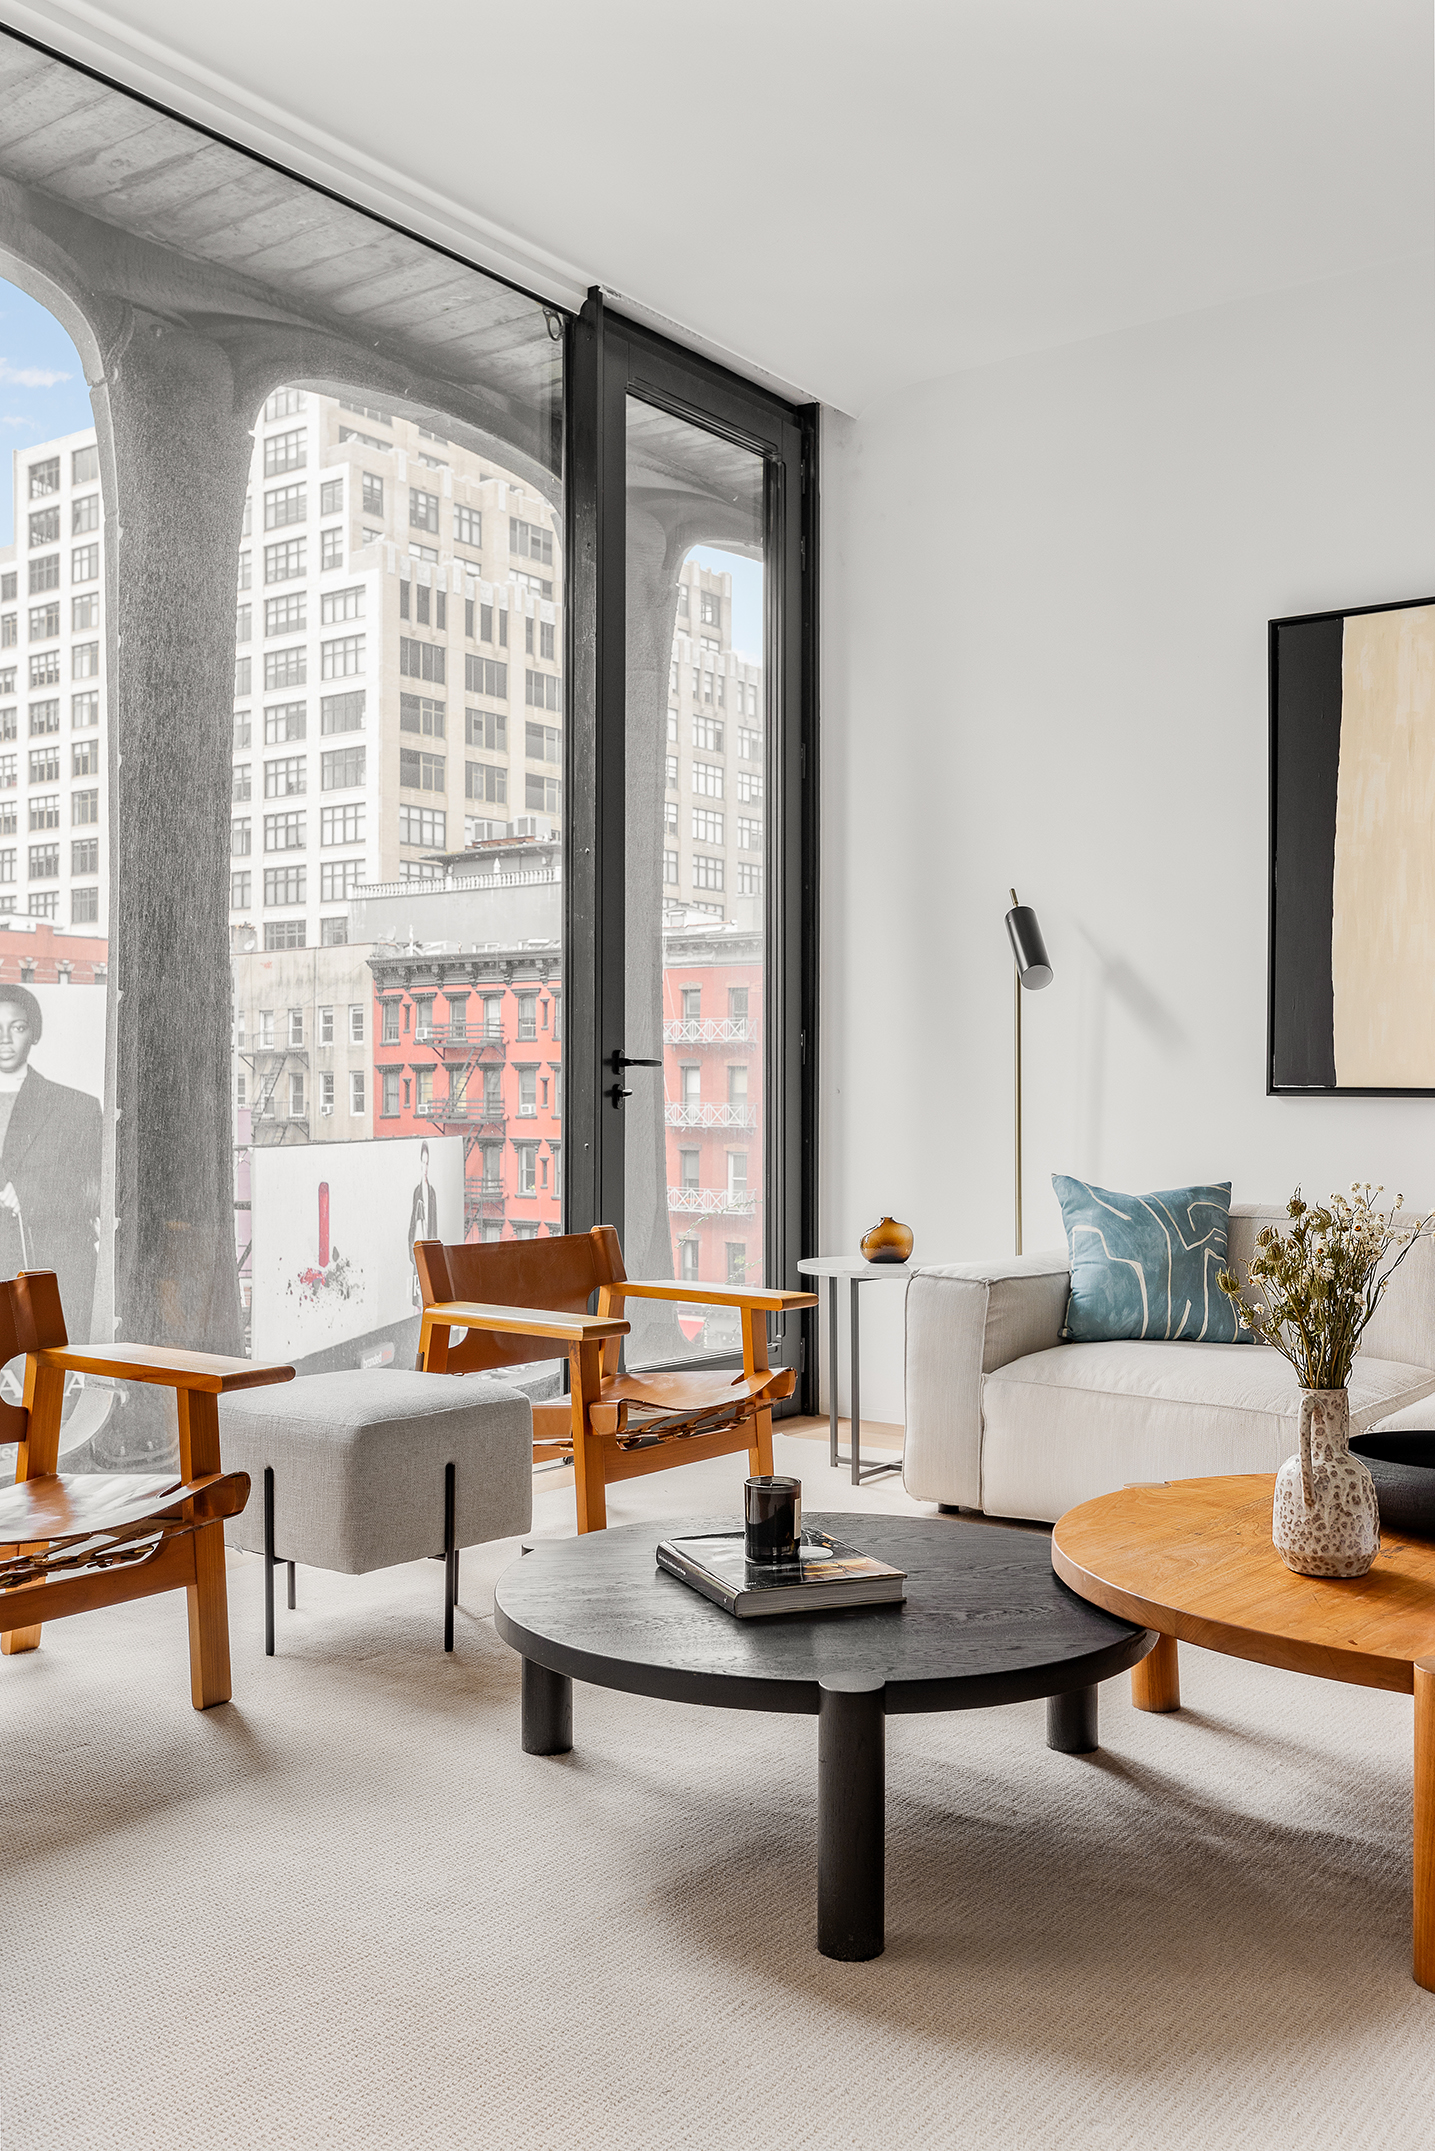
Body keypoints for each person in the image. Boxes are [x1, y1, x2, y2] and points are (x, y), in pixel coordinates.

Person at [0, 984, 102, 1339]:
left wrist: (33, 1196)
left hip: (51, 1272)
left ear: (34, 1033)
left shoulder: (76, 1108)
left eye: (17, 1026)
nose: (4, 1039)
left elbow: (96, 1194)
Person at [408, 1140, 438, 1306]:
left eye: (427, 1163)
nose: (425, 1168)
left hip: (429, 1252)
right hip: (418, 1252)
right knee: (417, 1300)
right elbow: (412, 1225)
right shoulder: (417, 1192)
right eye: (423, 1162)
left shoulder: (432, 1193)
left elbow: (434, 1225)